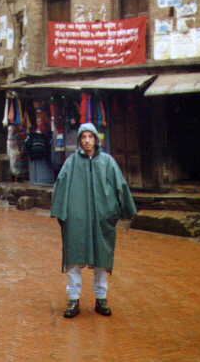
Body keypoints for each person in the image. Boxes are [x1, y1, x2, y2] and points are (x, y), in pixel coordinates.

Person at [51, 123, 136, 319]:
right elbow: (60, 186)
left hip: (102, 218)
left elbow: (120, 186)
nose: (87, 140)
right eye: (83, 137)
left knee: (102, 259)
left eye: (90, 136)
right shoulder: (71, 163)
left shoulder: (107, 162)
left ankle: (101, 299)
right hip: (77, 219)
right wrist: (62, 213)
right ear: (79, 140)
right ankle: (73, 300)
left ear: (96, 139)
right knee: (73, 259)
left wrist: (119, 211)